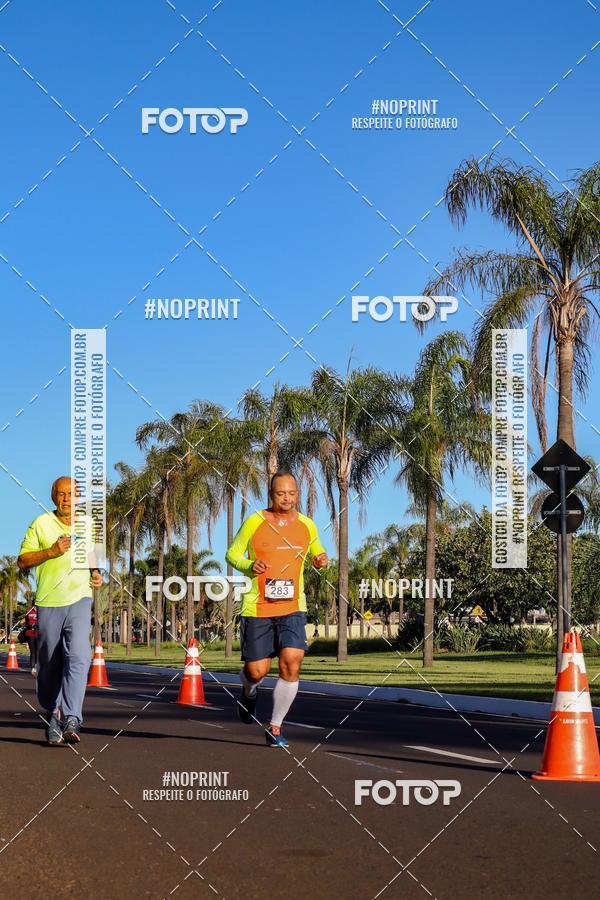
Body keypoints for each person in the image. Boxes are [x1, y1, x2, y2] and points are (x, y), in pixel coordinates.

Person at [226, 472, 328, 747]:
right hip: (257, 607)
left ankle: (275, 727)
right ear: (271, 494)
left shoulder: (307, 525)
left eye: (292, 493)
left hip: (293, 607)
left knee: (292, 662)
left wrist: (320, 560)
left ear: (297, 494)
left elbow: (317, 552)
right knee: (257, 671)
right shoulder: (254, 522)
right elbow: (232, 554)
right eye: (281, 493)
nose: (287, 498)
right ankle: (248, 693)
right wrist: (249, 565)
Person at [17, 477, 103, 745]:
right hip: (48, 601)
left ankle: (72, 717)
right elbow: (22, 560)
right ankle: (52, 711)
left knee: (79, 654)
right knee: (49, 663)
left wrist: (96, 573)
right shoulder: (41, 524)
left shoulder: (88, 524)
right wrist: (52, 551)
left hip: (80, 598)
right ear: (54, 497)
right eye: (61, 494)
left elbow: (91, 553)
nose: (67, 499)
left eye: (71, 494)